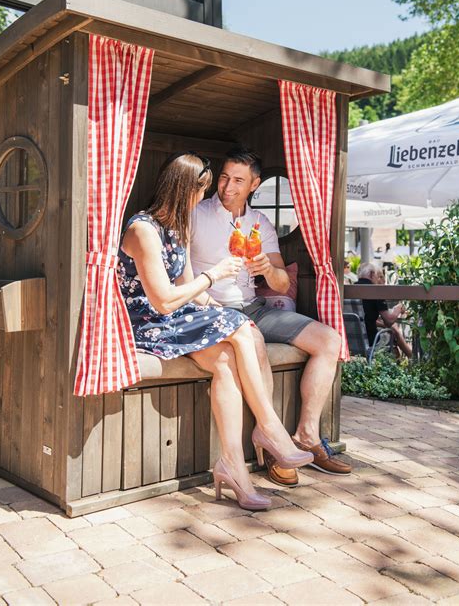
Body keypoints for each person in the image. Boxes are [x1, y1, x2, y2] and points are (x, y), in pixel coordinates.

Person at [118, 152, 313, 511]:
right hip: (147, 323)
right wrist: (216, 276)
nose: (202, 199)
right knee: (239, 325)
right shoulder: (143, 229)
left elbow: (188, 284)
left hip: (175, 318)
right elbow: (162, 301)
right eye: (200, 191)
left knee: (225, 358)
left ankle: (233, 467)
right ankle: (270, 428)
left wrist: (212, 301)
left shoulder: (177, 228)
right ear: (182, 190)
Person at [191, 146, 350, 488]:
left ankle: (307, 433)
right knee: (255, 342)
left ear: (255, 184)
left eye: (238, 180)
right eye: (224, 177)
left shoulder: (259, 223)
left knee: (329, 340)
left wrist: (266, 267)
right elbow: (180, 272)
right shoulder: (197, 214)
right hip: (215, 310)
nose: (228, 187)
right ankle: (276, 447)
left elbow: (280, 281)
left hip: (256, 307)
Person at [356, 263, 412, 358]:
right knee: (392, 333)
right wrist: (398, 307)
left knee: (393, 331)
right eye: (377, 276)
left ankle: (409, 357)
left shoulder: (350, 290)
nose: (377, 279)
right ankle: (408, 359)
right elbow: (389, 320)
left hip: (352, 340)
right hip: (373, 340)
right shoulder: (375, 290)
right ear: (371, 274)